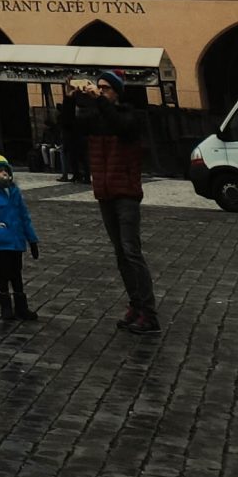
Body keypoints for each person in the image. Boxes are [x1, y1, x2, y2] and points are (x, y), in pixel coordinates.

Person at [69, 74, 159, 335]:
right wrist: (71, 97)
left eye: (106, 88)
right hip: (105, 193)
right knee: (121, 252)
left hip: (126, 193)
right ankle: (136, 305)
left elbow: (121, 126)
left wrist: (99, 101)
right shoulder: (96, 118)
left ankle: (149, 313)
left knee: (132, 251)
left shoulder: (129, 116)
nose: (100, 91)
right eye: (98, 87)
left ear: (117, 92)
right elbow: (71, 128)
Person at [0, 151, 40, 324]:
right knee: (4, 273)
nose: (5, 173)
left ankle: (21, 306)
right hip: (2, 243)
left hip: (17, 241)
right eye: (0, 171)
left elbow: (24, 217)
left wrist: (32, 240)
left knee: (17, 273)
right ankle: (5, 305)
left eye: (6, 170)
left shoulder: (14, 193)